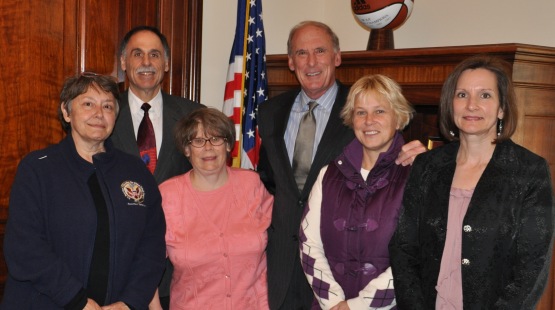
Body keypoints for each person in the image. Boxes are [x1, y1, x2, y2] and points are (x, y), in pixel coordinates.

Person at [257, 20, 426, 309]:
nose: (311, 61)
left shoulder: (360, 103)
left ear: (337, 57)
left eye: (320, 50)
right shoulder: (270, 111)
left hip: (354, 282)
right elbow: (269, 181)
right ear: (290, 62)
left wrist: (426, 158)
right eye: (301, 53)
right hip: (284, 265)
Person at [389, 55, 554, 309]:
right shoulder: (427, 166)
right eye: (462, 95)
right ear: (450, 104)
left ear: (502, 108)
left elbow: (532, 268)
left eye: (485, 95)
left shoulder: (529, 171)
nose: (471, 105)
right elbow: (403, 248)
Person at [1, 73, 166, 310]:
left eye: (107, 106)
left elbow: (152, 246)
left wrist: (130, 302)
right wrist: (77, 300)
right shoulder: (38, 168)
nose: (99, 113)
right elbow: (24, 247)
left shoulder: (136, 172)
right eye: (88, 104)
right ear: (67, 113)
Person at [300, 74, 415, 310]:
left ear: (399, 117)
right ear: (351, 119)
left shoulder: (416, 175)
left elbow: (415, 256)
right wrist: (334, 303)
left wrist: (356, 307)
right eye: (360, 112)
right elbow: (308, 243)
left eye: (380, 111)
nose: (369, 120)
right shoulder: (328, 174)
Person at [110, 25, 204, 308]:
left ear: (165, 63)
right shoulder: (103, 115)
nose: (147, 63)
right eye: (137, 54)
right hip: (118, 262)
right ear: (124, 62)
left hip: (180, 267)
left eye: (154, 54)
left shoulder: (194, 114)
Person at [149, 107, 273, 309]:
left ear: (227, 145)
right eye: (198, 141)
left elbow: (284, 237)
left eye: (216, 139)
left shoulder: (251, 185)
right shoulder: (168, 195)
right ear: (187, 149)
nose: (208, 148)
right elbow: (147, 264)